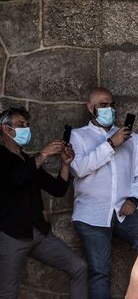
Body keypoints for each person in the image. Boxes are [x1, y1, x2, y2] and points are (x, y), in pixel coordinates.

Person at [70, 87, 138, 299]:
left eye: (112, 104)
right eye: (103, 105)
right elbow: (79, 168)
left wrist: (134, 198)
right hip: (91, 214)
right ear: (91, 108)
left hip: (127, 209)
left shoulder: (132, 138)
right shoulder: (78, 136)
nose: (109, 109)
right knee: (99, 273)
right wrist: (110, 144)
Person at [0, 106, 88, 299]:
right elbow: (16, 178)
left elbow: (57, 189)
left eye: (27, 124)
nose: (26, 128)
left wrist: (65, 164)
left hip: (38, 233)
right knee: (7, 293)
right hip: (11, 235)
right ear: (6, 129)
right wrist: (44, 154)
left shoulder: (26, 160)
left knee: (79, 267)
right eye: (20, 125)